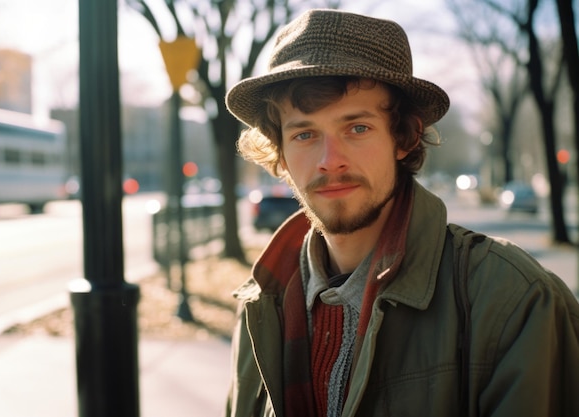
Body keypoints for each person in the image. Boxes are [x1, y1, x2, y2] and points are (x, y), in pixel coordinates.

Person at [223, 8, 579, 417]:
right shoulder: (259, 304)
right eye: (305, 134)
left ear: (404, 137)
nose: (329, 160)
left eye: (357, 128)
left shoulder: (512, 299)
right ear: (280, 154)